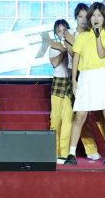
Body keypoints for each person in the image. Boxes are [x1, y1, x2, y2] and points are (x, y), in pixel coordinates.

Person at [64, 3, 105, 166]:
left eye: (99, 15)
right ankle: (71, 154)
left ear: (104, 18)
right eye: (94, 15)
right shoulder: (82, 37)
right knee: (80, 115)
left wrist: (97, 36)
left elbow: (102, 54)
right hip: (86, 76)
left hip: (102, 75)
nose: (96, 18)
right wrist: (74, 80)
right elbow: (76, 58)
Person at [45, 19, 74, 163]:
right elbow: (55, 63)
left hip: (71, 81)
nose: (62, 33)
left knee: (68, 118)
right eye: (59, 31)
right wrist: (63, 49)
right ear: (56, 33)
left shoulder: (73, 43)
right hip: (58, 82)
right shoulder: (54, 47)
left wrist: (67, 47)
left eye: (64, 30)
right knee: (55, 119)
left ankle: (64, 152)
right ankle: (54, 151)